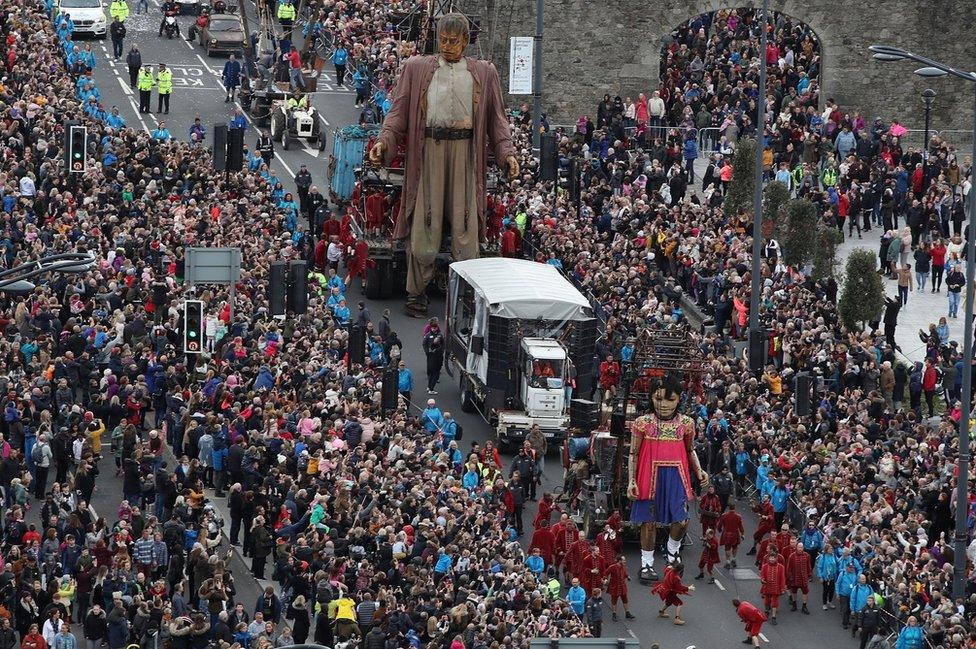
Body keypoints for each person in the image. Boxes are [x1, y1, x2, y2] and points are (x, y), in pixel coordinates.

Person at [367, 13, 518, 317]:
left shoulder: (484, 73)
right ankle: (416, 293)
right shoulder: (416, 68)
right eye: (443, 40)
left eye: (454, 40)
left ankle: (468, 296)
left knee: (466, 231)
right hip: (429, 151)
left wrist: (507, 154)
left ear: (466, 41)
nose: (448, 46)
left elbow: (497, 121)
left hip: (466, 153)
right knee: (425, 225)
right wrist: (384, 141)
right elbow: (398, 112)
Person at [627, 373, 707, 581]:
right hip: (648, 475)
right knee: (649, 522)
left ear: (679, 399)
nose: (663, 404)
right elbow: (633, 453)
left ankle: (672, 550)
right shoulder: (642, 423)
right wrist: (631, 480)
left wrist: (699, 471)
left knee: (681, 521)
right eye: (658, 398)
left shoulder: (687, 423)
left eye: (670, 399)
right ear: (652, 398)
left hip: (676, 475)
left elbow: (690, 450)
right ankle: (647, 564)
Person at [759, 553, 785, 625]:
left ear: (776, 558)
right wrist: (762, 580)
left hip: (776, 588)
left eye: (773, 558)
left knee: (775, 603)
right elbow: (762, 576)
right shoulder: (764, 567)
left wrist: (782, 588)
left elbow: (782, 578)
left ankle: (774, 617)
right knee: (767, 601)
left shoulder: (781, 567)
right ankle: (767, 610)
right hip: (767, 587)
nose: (772, 559)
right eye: (770, 558)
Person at [717, 502, 744, 569]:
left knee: (727, 548)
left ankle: (728, 561)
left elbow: (719, 525)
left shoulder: (724, 515)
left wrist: (719, 529)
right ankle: (734, 559)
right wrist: (742, 534)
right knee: (735, 547)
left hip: (726, 534)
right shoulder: (738, 516)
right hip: (735, 534)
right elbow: (741, 526)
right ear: (734, 508)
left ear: (729, 508)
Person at [422, 319, 444, 394]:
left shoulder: (440, 335)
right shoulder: (428, 335)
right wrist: (427, 352)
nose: (434, 329)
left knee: (437, 371)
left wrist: (441, 351)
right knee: (432, 372)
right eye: (433, 328)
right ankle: (431, 388)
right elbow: (424, 344)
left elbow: (443, 344)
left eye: (435, 327)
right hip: (431, 356)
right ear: (430, 327)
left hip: (438, 356)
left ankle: (430, 387)